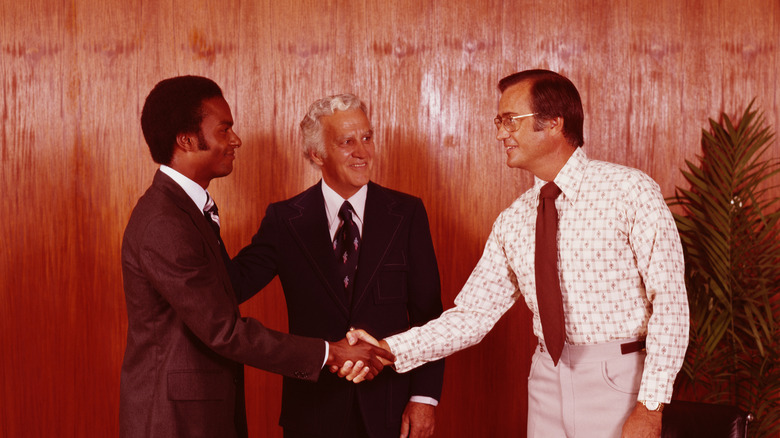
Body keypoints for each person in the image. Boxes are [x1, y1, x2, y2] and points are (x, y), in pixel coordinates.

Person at [347, 70, 690, 438]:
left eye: (510, 120)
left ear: (555, 123)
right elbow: (472, 316)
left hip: (621, 381)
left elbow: (670, 303)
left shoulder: (630, 191)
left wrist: (650, 406)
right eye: (499, 121)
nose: (500, 134)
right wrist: (385, 349)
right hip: (546, 378)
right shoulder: (514, 220)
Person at [119, 77, 393, 438]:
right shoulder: (164, 221)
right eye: (224, 129)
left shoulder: (186, 210)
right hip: (174, 422)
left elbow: (223, 289)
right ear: (186, 140)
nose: (236, 140)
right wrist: (332, 353)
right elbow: (224, 329)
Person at [231, 93, 445, 438]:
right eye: (347, 142)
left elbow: (429, 316)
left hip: (390, 409)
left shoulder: (407, 214)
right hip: (312, 412)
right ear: (317, 154)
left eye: (367, 137)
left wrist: (424, 398)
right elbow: (231, 286)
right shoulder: (285, 221)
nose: (363, 151)